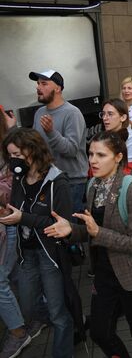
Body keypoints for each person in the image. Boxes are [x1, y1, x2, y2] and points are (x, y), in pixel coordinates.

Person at [45, 131, 132, 358]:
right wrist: (72, 230)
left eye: (101, 155)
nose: (93, 160)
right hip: (104, 274)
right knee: (100, 332)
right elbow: (91, 231)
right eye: (90, 154)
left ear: (118, 157)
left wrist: (98, 232)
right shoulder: (93, 186)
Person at [1, 128, 74, 358]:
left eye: (18, 155)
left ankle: (64, 352)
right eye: (10, 156)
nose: (14, 161)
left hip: (49, 255)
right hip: (26, 254)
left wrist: (23, 218)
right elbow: (18, 211)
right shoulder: (19, 179)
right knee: (27, 305)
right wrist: (8, 215)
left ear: (33, 150)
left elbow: (63, 222)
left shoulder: (56, 181)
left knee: (57, 313)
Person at [28, 70, 88, 215]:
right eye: (37, 84)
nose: (38, 87)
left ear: (58, 88)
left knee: (69, 229)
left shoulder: (72, 113)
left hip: (71, 183)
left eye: (44, 83)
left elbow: (71, 150)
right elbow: (35, 147)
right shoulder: (39, 113)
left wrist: (51, 132)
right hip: (47, 180)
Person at [0, 117, 30, 358]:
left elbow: (12, 185)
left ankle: (19, 332)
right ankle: (39, 313)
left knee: (1, 280)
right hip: (7, 223)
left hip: (7, 222)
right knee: (15, 274)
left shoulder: (8, 150)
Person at [99, 98, 132, 187]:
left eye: (110, 114)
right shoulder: (106, 137)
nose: (105, 118)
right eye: (103, 114)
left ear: (123, 117)